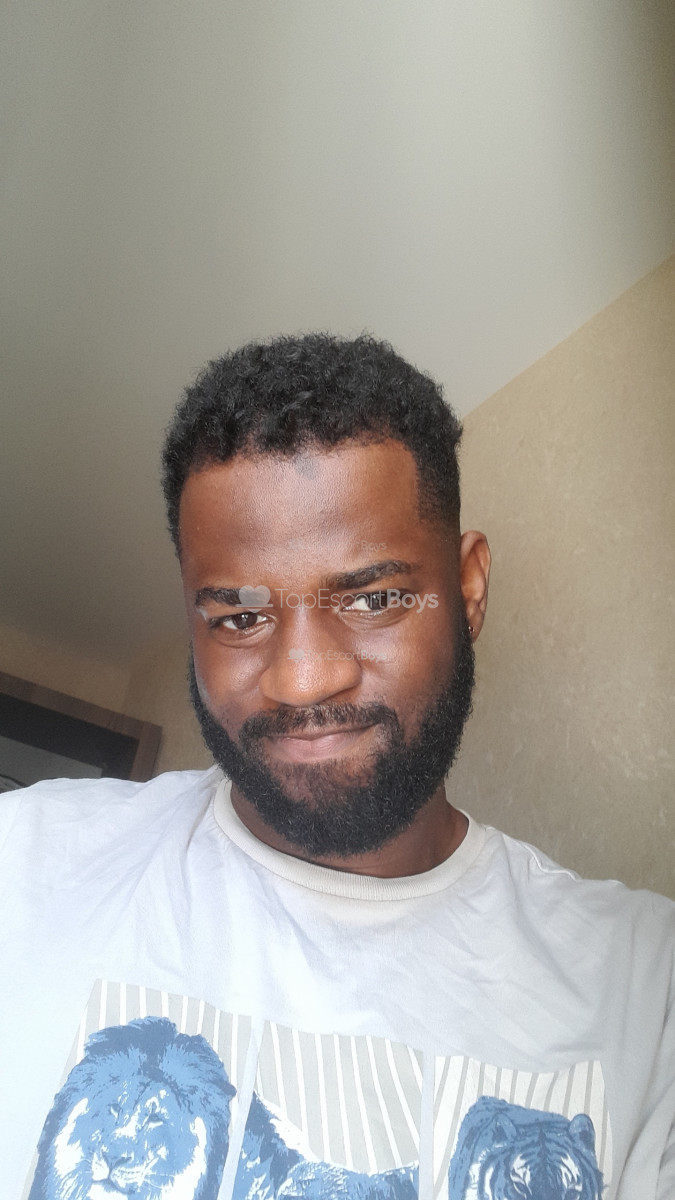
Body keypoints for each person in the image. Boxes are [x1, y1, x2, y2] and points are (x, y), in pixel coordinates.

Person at [1, 334, 672, 1200]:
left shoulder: (643, 988)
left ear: (467, 589)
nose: (302, 679)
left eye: (372, 599)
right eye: (238, 618)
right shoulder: (26, 862)